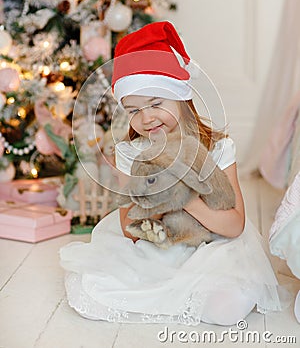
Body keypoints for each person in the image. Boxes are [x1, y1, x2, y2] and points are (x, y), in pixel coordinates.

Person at [60, 21, 285, 326]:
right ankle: (169, 290)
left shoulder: (218, 148)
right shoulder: (130, 153)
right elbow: (129, 225)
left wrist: (187, 200)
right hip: (156, 246)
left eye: (156, 103)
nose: (147, 117)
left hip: (210, 244)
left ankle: (188, 293)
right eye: (134, 110)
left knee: (227, 308)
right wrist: (158, 207)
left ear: (180, 98)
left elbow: (233, 225)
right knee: (94, 290)